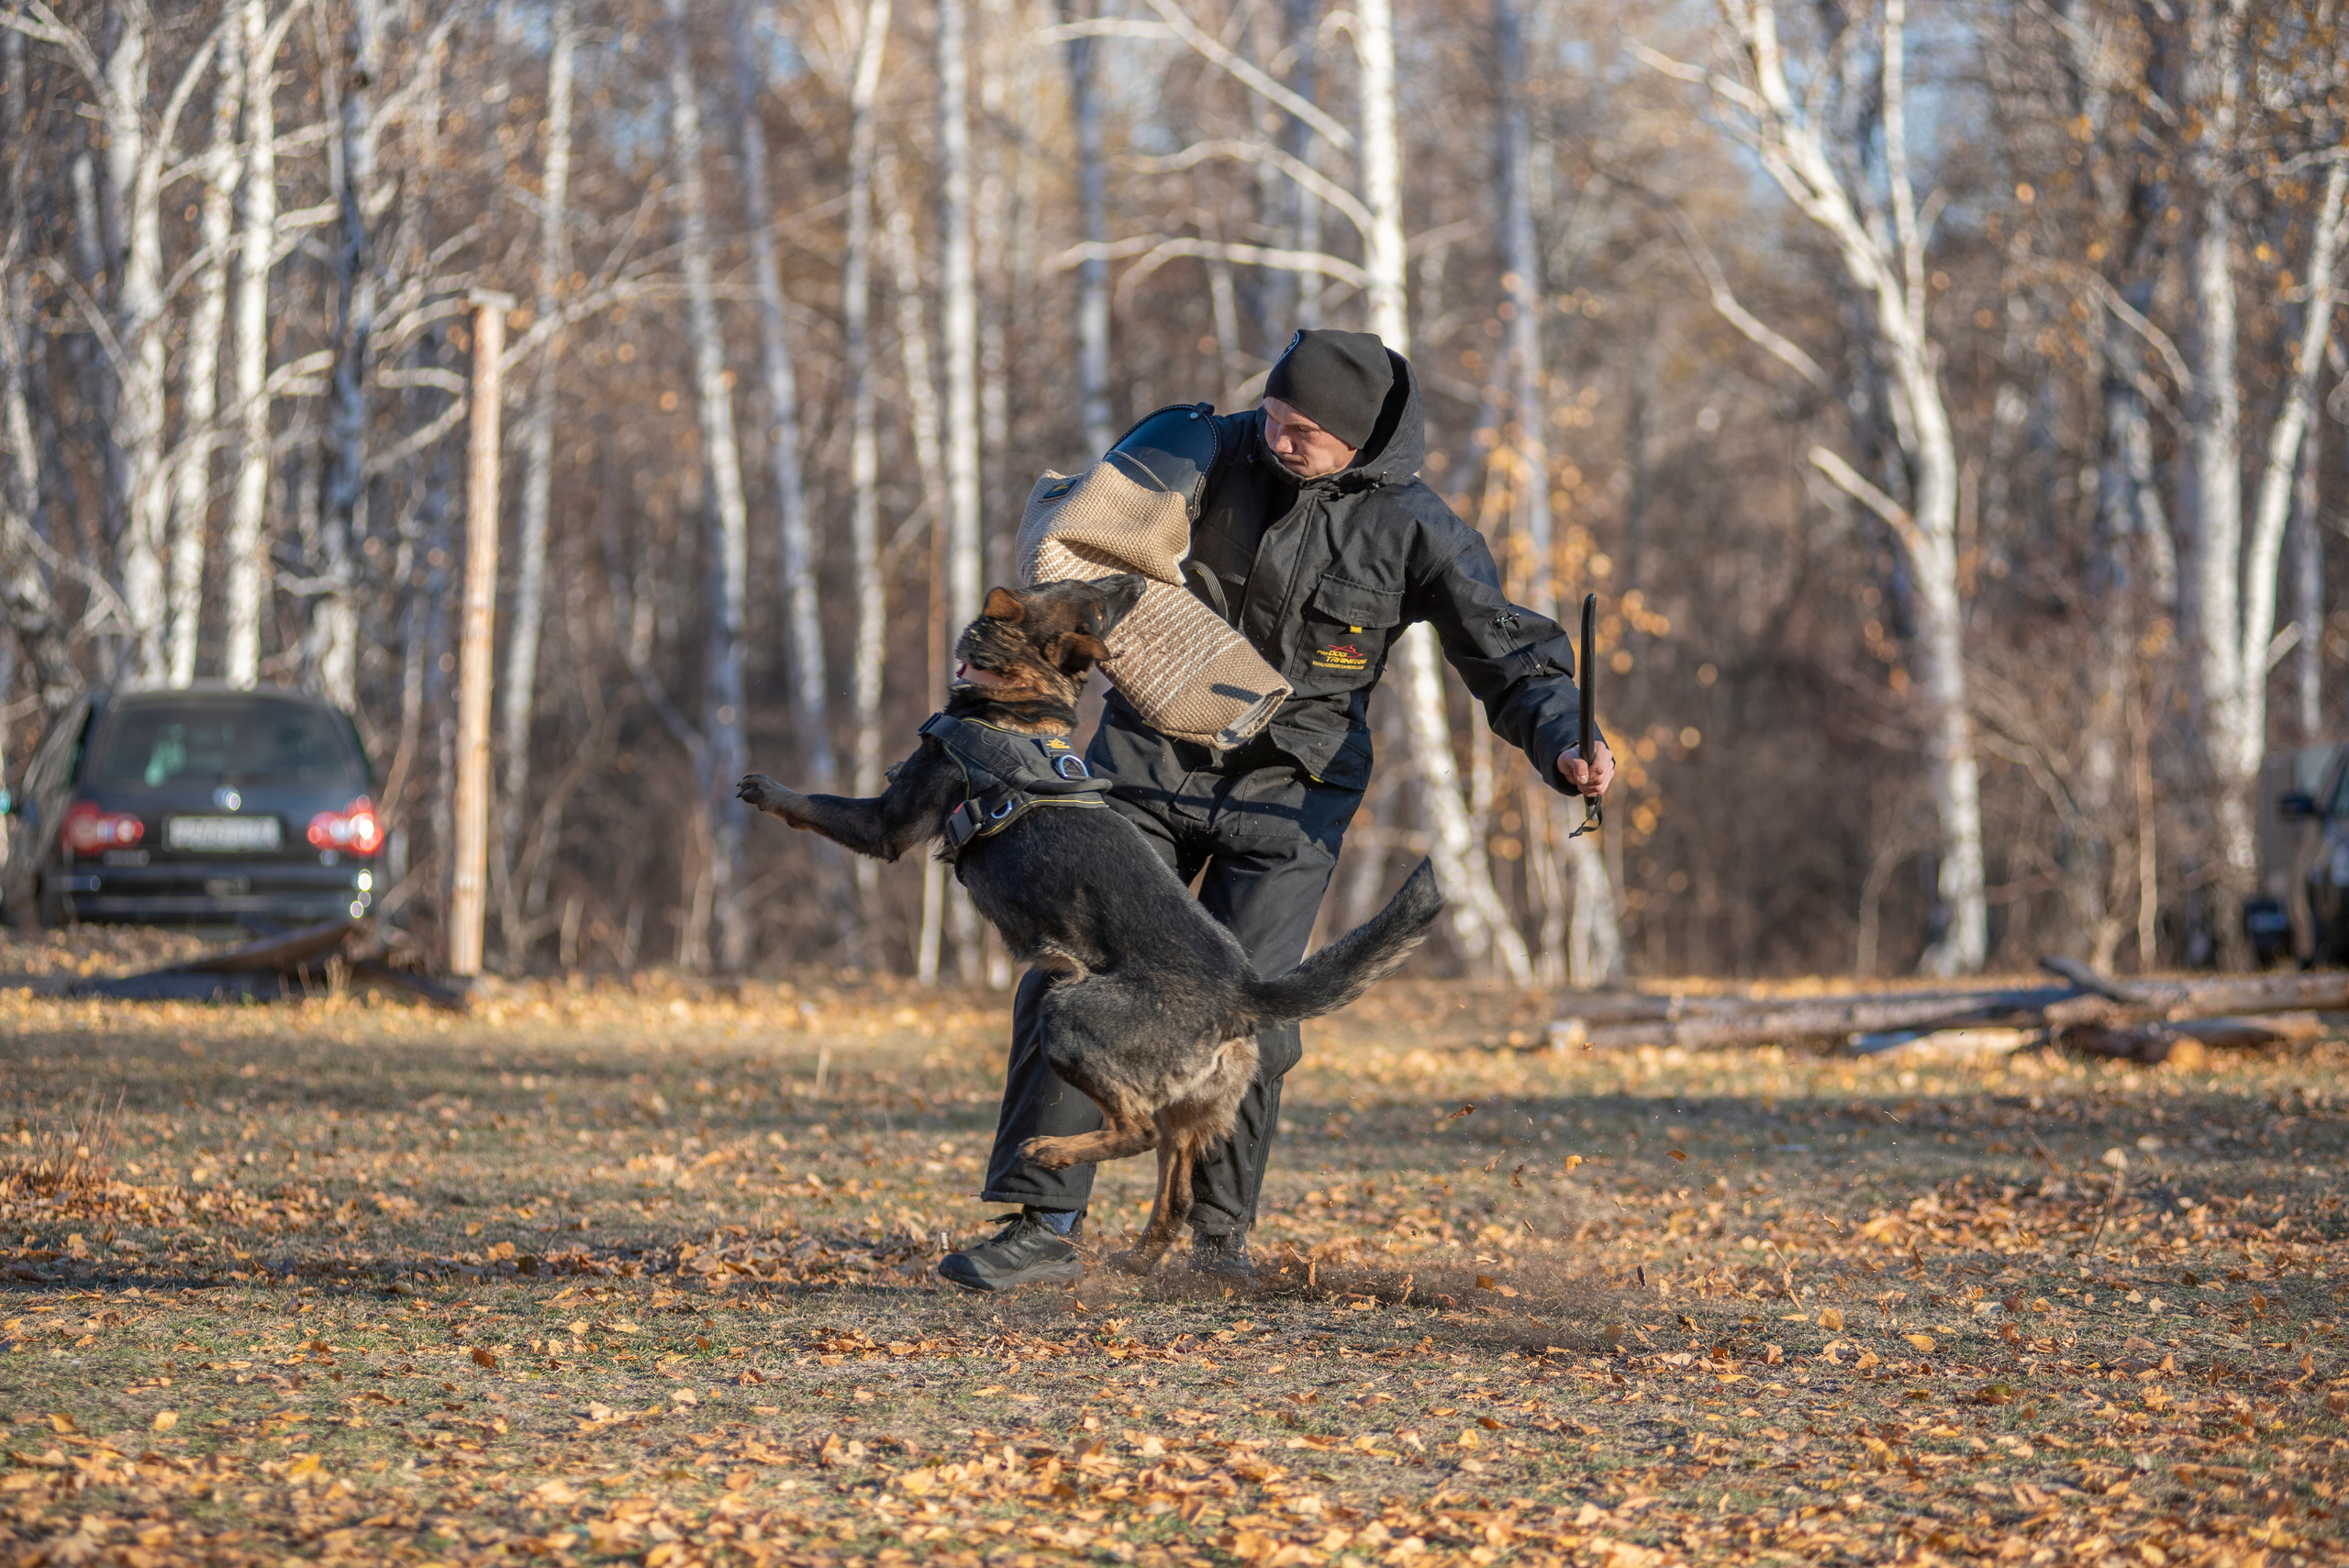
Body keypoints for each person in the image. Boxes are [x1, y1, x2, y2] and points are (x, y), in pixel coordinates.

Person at [939, 328, 1616, 1291]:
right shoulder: (1206, 452)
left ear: (1358, 440)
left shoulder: (1417, 527)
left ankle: (1216, 1243)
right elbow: (1086, 534)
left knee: (1252, 1011)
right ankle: (1040, 1226)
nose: (1278, 436)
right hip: (1143, 769)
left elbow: (1509, 655)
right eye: (1271, 414)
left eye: (1301, 428)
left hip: (1289, 800)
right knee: (1072, 976)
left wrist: (1562, 741)